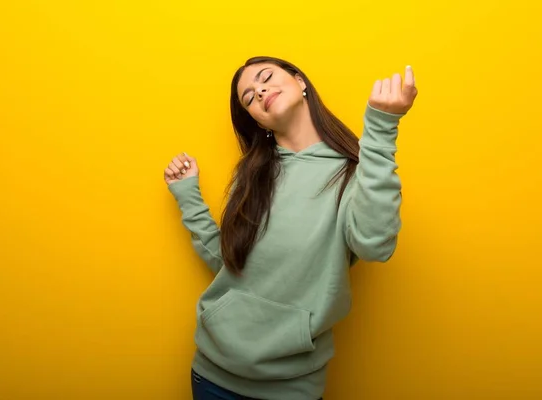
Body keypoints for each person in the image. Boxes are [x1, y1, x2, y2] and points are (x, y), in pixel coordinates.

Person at [164, 56, 417, 400]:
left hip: (292, 388)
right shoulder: (250, 176)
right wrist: (188, 197)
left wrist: (382, 126)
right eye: (249, 97)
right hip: (213, 375)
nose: (259, 91)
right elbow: (230, 265)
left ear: (300, 82)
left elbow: (375, 245)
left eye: (265, 77)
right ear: (256, 119)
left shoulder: (357, 176)